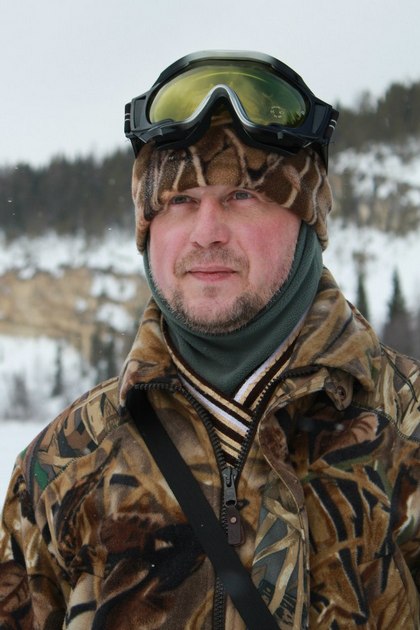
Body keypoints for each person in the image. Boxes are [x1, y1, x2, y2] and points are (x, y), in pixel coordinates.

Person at [0, 50, 419, 630]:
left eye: (241, 196)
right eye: (180, 202)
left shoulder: (406, 428)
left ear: (307, 221)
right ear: (148, 231)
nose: (206, 233)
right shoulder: (61, 464)